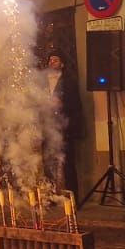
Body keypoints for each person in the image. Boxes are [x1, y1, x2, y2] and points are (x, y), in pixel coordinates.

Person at [44, 52, 83, 195]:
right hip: (47, 126)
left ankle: (73, 197)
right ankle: (50, 195)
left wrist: (62, 104)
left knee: (68, 163)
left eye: (55, 60)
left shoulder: (70, 81)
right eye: (50, 60)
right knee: (48, 162)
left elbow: (76, 105)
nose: (52, 62)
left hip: (64, 126)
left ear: (62, 64)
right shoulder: (42, 82)